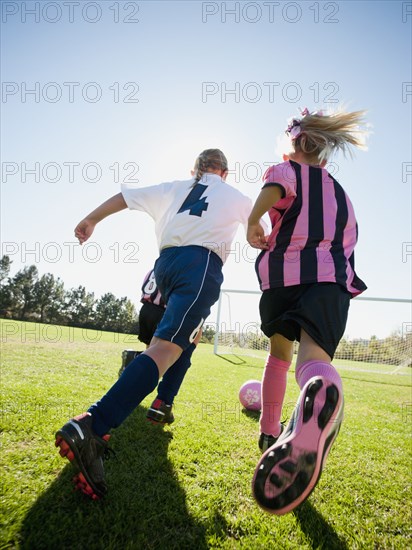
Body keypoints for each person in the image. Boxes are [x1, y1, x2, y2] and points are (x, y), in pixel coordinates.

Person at [55, 148, 252, 499]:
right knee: (165, 351)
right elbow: (258, 226)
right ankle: (94, 425)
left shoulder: (175, 186)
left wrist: (91, 219)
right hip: (201, 264)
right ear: (225, 172)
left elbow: (125, 196)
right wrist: (258, 233)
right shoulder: (232, 193)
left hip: (166, 265)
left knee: (178, 344)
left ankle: (147, 400)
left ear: (195, 168)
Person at [247, 108, 368, 515]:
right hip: (329, 283)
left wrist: (253, 221)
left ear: (292, 145)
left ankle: (269, 434)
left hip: (285, 279)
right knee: (313, 363)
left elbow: (274, 191)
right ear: (326, 155)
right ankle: (322, 393)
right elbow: (347, 245)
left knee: (279, 358)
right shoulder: (343, 195)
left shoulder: (286, 172)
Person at [120, 268, 200, 425]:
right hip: (167, 313)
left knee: (154, 356)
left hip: (147, 310)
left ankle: (134, 361)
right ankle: (163, 403)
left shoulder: (164, 260)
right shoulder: (193, 260)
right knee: (182, 356)